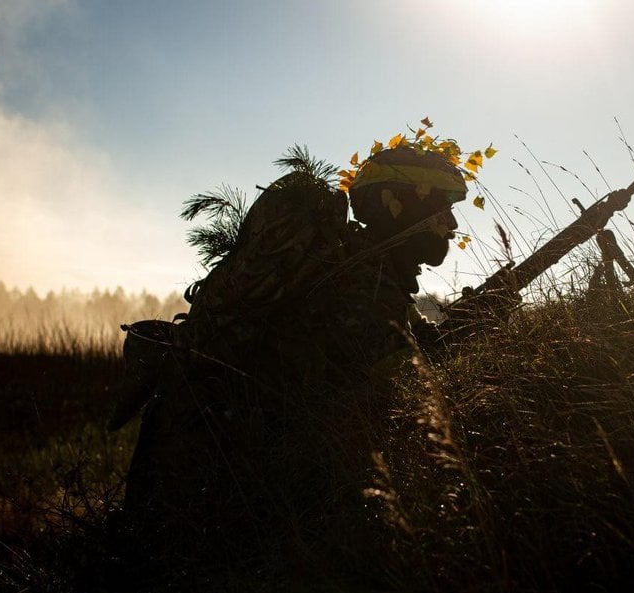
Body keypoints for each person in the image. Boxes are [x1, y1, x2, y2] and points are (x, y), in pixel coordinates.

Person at [110, 144, 467, 591]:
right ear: (397, 205)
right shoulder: (361, 284)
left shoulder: (360, 271)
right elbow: (405, 387)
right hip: (236, 514)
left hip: (233, 498)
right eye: (439, 207)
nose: (451, 224)